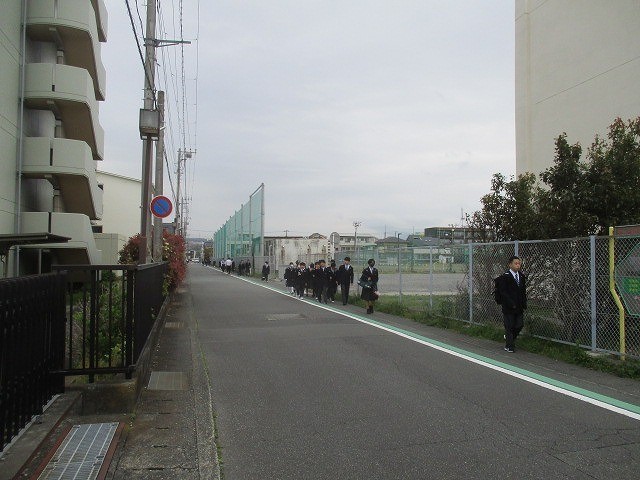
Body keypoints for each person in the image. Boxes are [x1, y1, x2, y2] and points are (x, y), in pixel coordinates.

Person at [497, 255, 527, 353]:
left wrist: (524, 303)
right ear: (510, 264)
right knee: (509, 326)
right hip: (508, 307)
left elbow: (523, 291)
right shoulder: (505, 277)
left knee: (519, 325)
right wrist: (510, 302)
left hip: (519, 306)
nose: (518, 265)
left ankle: (509, 338)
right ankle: (509, 346)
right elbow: (503, 292)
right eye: (516, 263)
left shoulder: (521, 276)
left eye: (519, 263)